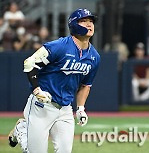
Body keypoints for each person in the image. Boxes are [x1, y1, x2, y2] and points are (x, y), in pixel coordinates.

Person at [8, 8, 100, 153]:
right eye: (84, 21)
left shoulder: (94, 56)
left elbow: (85, 85)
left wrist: (81, 108)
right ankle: (22, 131)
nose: (89, 24)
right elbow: (30, 63)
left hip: (65, 109)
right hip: (42, 105)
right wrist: (37, 90)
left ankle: (23, 130)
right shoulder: (59, 46)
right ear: (74, 24)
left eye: (91, 21)